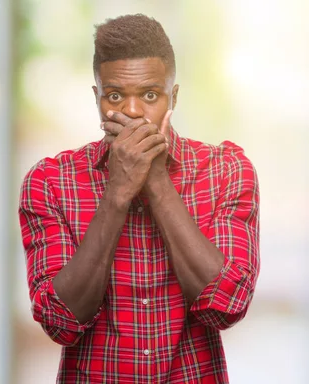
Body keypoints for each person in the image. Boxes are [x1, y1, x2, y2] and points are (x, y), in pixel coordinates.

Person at [18, 14, 259, 383]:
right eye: (115, 95)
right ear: (97, 98)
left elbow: (226, 307)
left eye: (149, 95)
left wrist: (158, 183)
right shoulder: (50, 181)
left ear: (172, 96)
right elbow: (60, 323)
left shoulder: (226, 170)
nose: (131, 112)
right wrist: (117, 193)